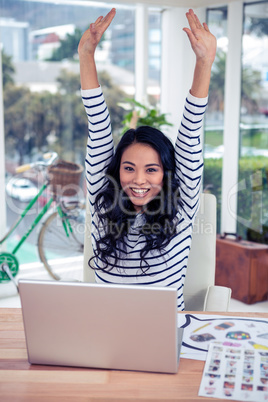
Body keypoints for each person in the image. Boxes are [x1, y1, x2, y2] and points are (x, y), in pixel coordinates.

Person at [78, 8, 216, 310]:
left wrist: (204, 62)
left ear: (167, 174)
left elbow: (191, 129)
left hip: (167, 336)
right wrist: (87, 55)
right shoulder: (103, 204)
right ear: (116, 172)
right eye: (129, 168)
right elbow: (98, 126)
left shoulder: (182, 206)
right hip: (105, 334)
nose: (138, 180)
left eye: (151, 170)